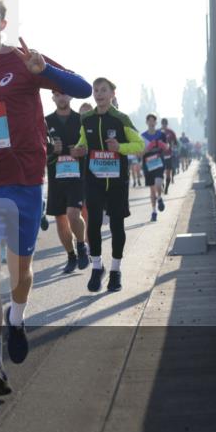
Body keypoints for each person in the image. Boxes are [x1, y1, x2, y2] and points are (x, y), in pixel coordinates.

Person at [0, 0, 91, 396]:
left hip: (25, 181)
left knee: (20, 272)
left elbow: (79, 87)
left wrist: (47, 71)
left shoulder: (23, 60)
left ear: (2, 23)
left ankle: (18, 315)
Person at [71, 78, 144, 292]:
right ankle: (96, 268)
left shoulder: (121, 119)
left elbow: (139, 145)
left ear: (113, 93)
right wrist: (78, 150)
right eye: (96, 90)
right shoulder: (86, 119)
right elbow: (81, 143)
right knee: (93, 223)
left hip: (117, 181)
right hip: (93, 179)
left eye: (104, 90)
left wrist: (120, 146)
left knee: (116, 226)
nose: (99, 94)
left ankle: (115, 270)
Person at [45, 91, 88, 274]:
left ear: (71, 97)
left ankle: (81, 246)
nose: (61, 98)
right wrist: (50, 149)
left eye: (64, 95)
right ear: (53, 98)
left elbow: (93, 143)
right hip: (56, 177)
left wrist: (82, 151)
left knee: (72, 214)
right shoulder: (45, 122)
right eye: (57, 95)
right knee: (61, 220)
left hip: (77, 176)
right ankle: (71, 256)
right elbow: (37, 147)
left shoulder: (82, 120)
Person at [141, 114, 168, 222]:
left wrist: (162, 145)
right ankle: (154, 211)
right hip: (148, 164)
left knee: (158, 183)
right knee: (152, 190)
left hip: (158, 162)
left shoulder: (161, 135)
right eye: (149, 121)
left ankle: (160, 198)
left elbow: (167, 147)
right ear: (146, 122)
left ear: (156, 123)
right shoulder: (142, 136)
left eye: (153, 121)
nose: (151, 123)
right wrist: (149, 147)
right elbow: (140, 153)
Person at [160, 118, 178, 192]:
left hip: (168, 155)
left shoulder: (171, 132)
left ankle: (166, 187)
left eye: (165, 124)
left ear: (167, 124)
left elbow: (175, 143)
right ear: (161, 124)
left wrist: (172, 145)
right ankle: (162, 184)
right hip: (160, 156)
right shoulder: (158, 132)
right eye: (163, 124)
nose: (164, 125)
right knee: (160, 173)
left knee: (168, 172)